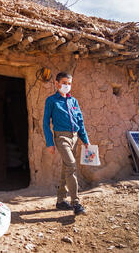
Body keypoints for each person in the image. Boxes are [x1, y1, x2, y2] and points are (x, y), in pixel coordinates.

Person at [43, 72, 89, 215]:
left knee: (66, 168)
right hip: (61, 138)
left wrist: (85, 140)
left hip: (74, 138)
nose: (66, 86)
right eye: (64, 83)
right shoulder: (51, 101)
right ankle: (76, 203)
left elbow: (80, 121)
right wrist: (50, 143)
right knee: (71, 166)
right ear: (57, 84)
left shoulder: (73, 101)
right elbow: (45, 123)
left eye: (69, 83)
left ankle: (61, 201)